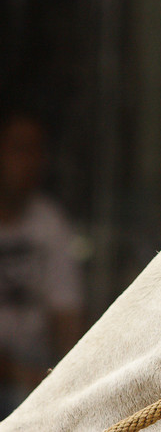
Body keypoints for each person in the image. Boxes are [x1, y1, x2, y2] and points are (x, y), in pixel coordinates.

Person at [0, 110, 84, 418]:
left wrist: (66, 379)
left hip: (34, 371)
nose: (29, 161)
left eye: (37, 150)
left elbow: (67, 316)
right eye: (19, 149)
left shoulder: (50, 222)